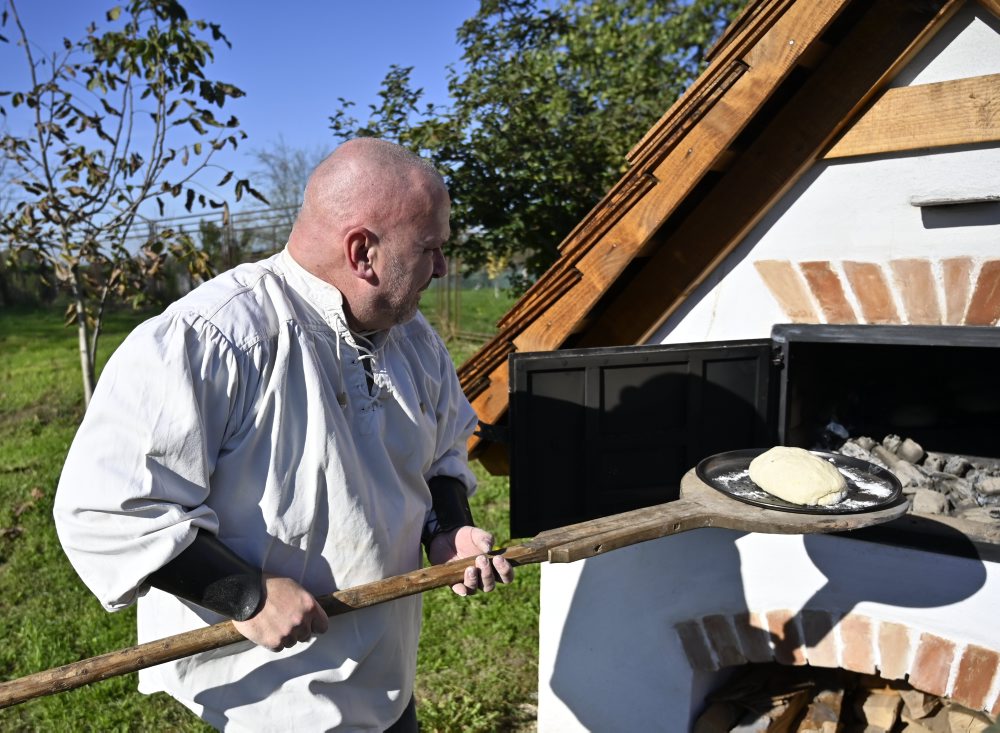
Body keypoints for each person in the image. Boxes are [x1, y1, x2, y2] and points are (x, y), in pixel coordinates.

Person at [53, 137, 514, 732]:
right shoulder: (214, 339)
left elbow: (443, 448)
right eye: (431, 248)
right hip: (267, 698)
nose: (444, 268)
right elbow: (108, 507)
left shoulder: (413, 340)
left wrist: (447, 529)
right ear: (363, 253)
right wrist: (244, 594)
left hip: (383, 679)